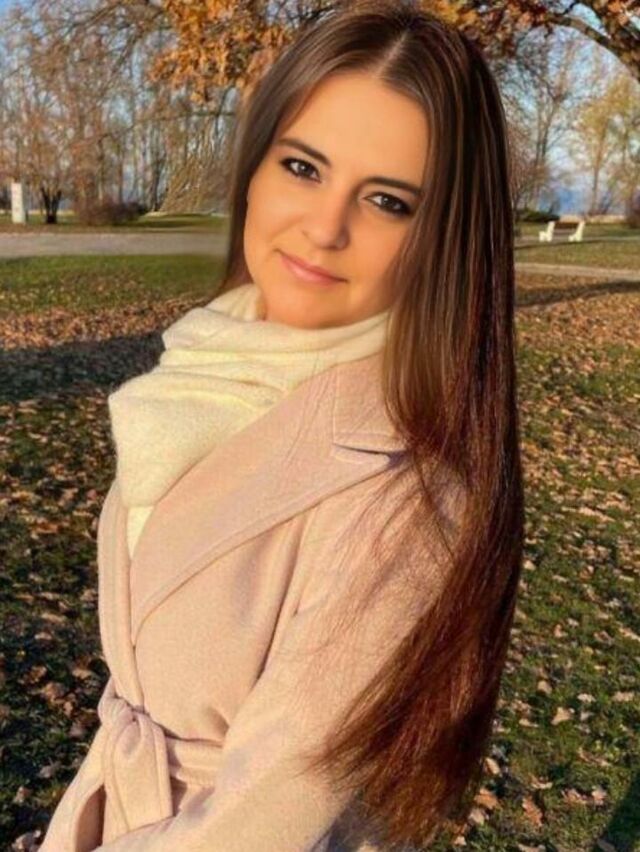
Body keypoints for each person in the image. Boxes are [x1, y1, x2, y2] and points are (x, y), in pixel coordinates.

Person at [39, 1, 524, 850]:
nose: (325, 228)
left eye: (388, 201)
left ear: (443, 240)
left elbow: (263, 821)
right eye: (303, 167)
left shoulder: (402, 498)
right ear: (256, 166)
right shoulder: (206, 364)